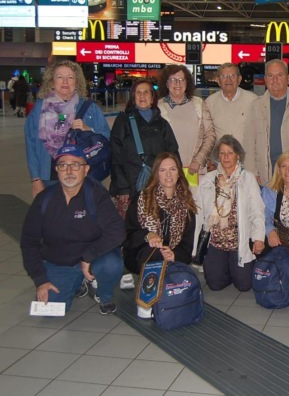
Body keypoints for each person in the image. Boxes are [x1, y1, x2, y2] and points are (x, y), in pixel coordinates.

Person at [20, 145, 125, 314]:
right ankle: (78, 282)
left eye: (76, 165)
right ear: (57, 170)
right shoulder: (44, 200)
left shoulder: (96, 195)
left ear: (86, 169)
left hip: (94, 258)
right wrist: (40, 280)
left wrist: (88, 256)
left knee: (111, 264)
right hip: (61, 262)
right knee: (50, 312)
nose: (69, 171)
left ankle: (104, 295)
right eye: (63, 165)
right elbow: (29, 242)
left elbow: (117, 231)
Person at [122, 152, 197, 317]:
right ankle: (145, 302)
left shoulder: (186, 205)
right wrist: (147, 235)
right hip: (140, 253)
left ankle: (163, 293)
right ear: (156, 174)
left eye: (173, 169)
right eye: (163, 170)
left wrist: (174, 254)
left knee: (168, 262)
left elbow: (187, 245)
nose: (168, 175)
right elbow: (127, 235)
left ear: (179, 173)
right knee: (156, 252)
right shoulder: (142, 199)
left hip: (170, 257)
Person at [25, 61, 110, 198]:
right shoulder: (40, 109)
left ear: (77, 82)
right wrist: (36, 179)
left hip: (83, 178)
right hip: (49, 178)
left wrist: (88, 129)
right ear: (52, 81)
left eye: (70, 77)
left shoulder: (89, 108)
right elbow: (31, 144)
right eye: (60, 77)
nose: (65, 81)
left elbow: (106, 136)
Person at [196, 135, 265, 292]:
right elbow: (199, 213)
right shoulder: (208, 179)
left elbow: (257, 211)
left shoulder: (248, 178)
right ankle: (224, 266)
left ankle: (236, 267)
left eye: (230, 153)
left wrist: (258, 238)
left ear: (238, 155)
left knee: (244, 286)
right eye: (222, 153)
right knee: (215, 285)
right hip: (216, 240)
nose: (226, 157)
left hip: (238, 241)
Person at [110, 79, 179, 217]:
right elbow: (115, 155)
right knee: (132, 224)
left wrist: (175, 183)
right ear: (133, 97)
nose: (142, 96)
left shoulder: (162, 124)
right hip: (130, 187)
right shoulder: (123, 121)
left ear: (152, 98)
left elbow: (173, 154)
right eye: (138, 93)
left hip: (159, 185)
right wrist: (122, 187)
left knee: (156, 222)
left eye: (146, 92)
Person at [243, 59, 289, 184]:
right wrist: (252, 172)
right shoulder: (255, 106)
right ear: (265, 79)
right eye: (270, 76)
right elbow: (249, 142)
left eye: (279, 75)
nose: (275, 80)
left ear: (288, 78)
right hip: (265, 174)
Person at [157, 64, 216, 186]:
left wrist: (198, 161)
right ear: (166, 83)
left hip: (196, 171)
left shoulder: (199, 104)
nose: (177, 83)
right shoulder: (158, 107)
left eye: (181, 79)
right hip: (168, 173)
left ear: (187, 82)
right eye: (173, 80)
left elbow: (210, 134)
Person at [204, 63, 257, 146]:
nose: (228, 80)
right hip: (220, 154)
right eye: (224, 76)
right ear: (218, 80)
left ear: (239, 79)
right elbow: (207, 134)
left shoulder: (253, 100)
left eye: (232, 76)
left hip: (246, 153)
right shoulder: (210, 102)